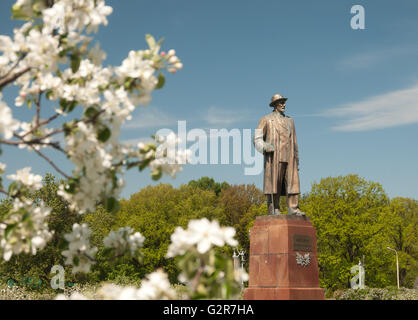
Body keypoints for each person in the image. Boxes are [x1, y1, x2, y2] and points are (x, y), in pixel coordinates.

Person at [253, 94, 305, 216]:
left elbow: (295, 142)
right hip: (275, 157)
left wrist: (296, 159)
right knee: (274, 183)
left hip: (289, 156)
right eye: (280, 102)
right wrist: (265, 146)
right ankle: (274, 208)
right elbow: (256, 138)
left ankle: (293, 208)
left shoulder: (290, 121)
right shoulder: (266, 119)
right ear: (275, 105)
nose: (283, 105)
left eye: (284, 102)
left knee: (293, 183)